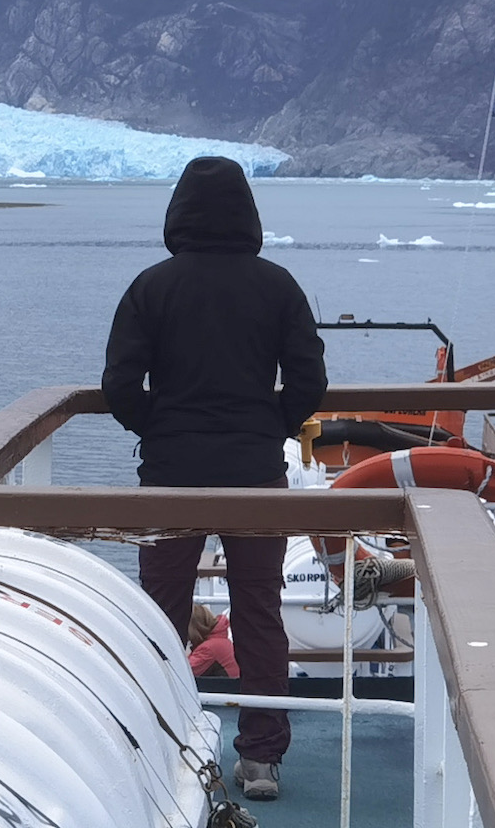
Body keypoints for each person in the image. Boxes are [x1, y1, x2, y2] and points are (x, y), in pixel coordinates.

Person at [105, 156, 327, 802]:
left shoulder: (151, 288)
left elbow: (119, 385)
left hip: (170, 477)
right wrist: (269, 427)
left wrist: (160, 426)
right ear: (248, 214)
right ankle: (260, 759)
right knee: (259, 613)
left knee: (160, 618)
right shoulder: (278, 288)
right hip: (255, 478)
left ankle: (164, 741)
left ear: (177, 213)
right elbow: (309, 385)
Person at [188, 606, 240, 678]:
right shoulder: (219, 641)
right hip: (228, 687)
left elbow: (184, 671)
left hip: (220, 688)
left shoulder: (208, 648)